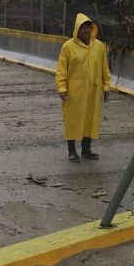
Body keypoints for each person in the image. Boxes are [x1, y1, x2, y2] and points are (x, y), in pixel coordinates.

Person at [55, 13, 111, 162]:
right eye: (83, 28)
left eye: (88, 27)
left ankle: (86, 150)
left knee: (90, 120)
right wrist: (61, 88)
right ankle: (72, 151)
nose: (86, 31)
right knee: (73, 120)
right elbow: (61, 70)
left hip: (93, 90)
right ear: (77, 29)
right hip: (74, 92)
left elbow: (105, 68)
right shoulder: (68, 47)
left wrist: (106, 86)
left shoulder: (99, 46)